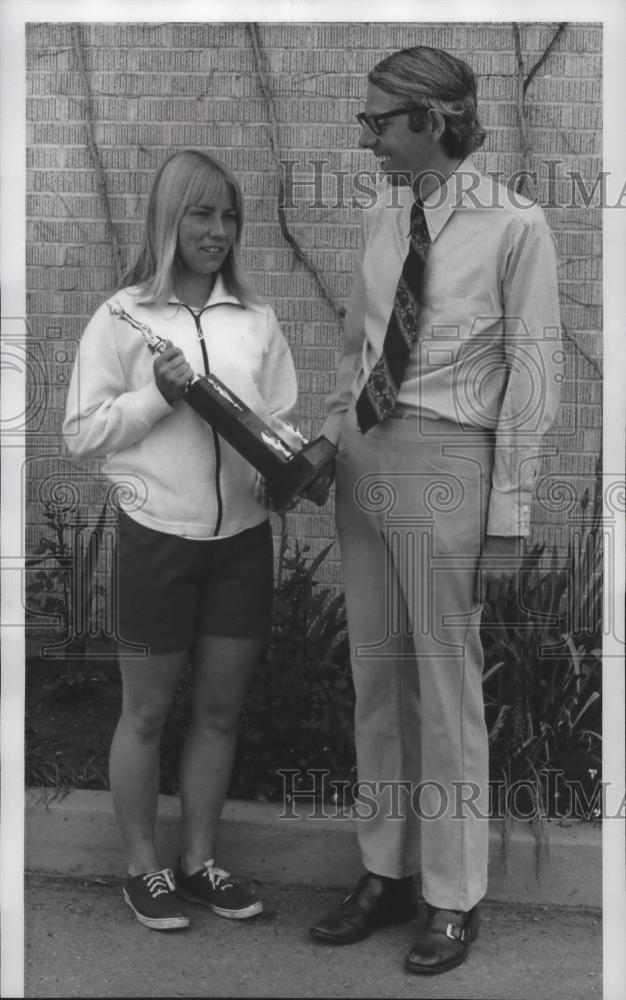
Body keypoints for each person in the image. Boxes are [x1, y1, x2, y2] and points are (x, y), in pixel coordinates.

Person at [307, 46, 562, 975]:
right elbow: (357, 349)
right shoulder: (382, 212)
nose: (366, 137)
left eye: (380, 121)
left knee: (446, 691)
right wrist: (330, 440)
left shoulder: (515, 225)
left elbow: (534, 377)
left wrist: (510, 515)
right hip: (368, 459)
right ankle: (387, 869)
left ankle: (453, 896)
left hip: (451, 459)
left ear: (436, 120)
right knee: (379, 676)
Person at [63, 148, 305, 932]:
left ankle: (200, 862)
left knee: (219, 712)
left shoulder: (256, 319)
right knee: (145, 714)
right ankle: (144, 868)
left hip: (241, 540)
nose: (218, 229)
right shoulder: (123, 315)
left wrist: (285, 465)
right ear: (169, 219)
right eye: (201, 214)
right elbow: (81, 433)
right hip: (158, 537)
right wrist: (153, 398)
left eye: (229, 215)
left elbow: (278, 419)